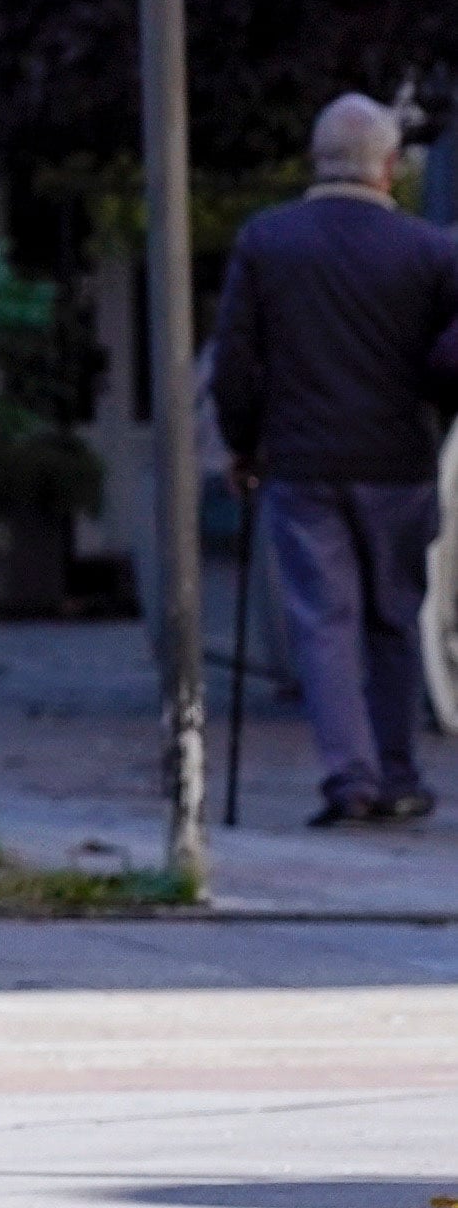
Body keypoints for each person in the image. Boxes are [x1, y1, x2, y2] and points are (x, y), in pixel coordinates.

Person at [211, 92, 458, 828]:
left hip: (300, 462)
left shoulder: (267, 241)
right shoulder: (428, 252)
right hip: (398, 464)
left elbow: (235, 359)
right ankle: (397, 773)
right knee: (392, 619)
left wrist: (243, 443)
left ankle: (347, 780)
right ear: (387, 167)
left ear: (317, 161)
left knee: (322, 623)